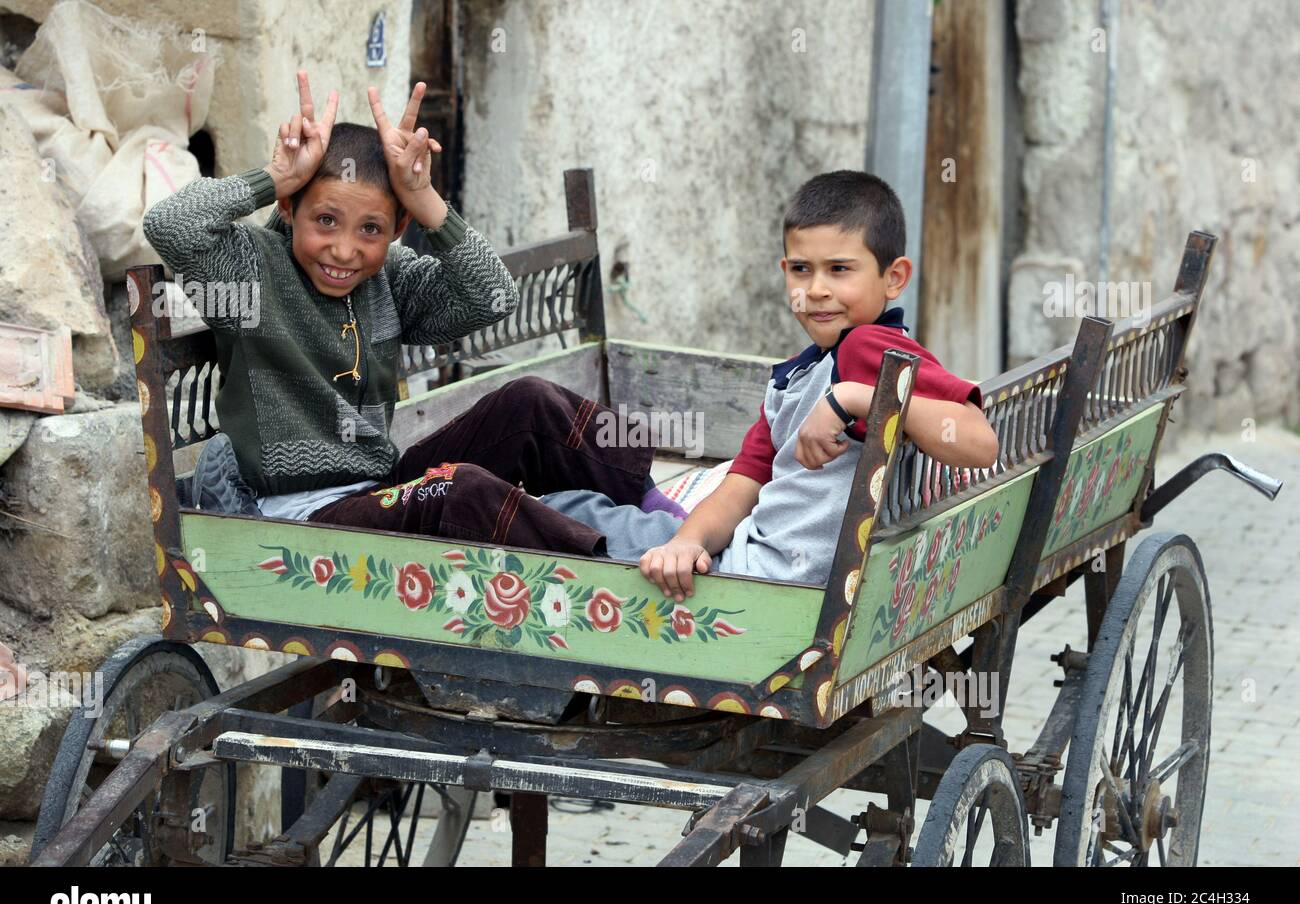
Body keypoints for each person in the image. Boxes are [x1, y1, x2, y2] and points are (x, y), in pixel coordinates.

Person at [144, 71, 676, 555]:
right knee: (461, 493)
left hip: (377, 490)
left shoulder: (388, 276)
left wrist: (424, 198)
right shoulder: (249, 270)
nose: (345, 250)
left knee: (529, 404)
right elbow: (170, 224)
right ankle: (614, 568)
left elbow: (492, 297)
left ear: (396, 229)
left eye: (370, 229)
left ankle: (668, 518)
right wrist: (276, 174)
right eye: (325, 220)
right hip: (301, 519)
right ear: (290, 207)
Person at [539, 170, 999, 596]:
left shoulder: (868, 347)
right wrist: (689, 540)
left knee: (558, 508)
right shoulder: (794, 375)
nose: (816, 289)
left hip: (763, 583)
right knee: (580, 506)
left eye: (839, 269)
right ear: (785, 274)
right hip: (745, 561)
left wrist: (852, 397)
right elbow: (743, 484)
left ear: (893, 277)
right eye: (802, 269)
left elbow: (980, 442)